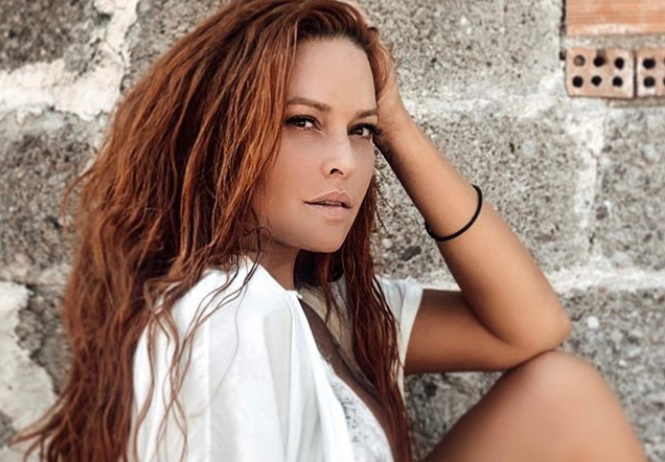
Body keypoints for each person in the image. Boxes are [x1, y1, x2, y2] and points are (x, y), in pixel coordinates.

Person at [10, 0, 649, 461]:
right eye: (303, 122)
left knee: (563, 391)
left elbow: (530, 329)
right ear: (222, 136)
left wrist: (397, 123)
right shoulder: (220, 319)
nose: (344, 159)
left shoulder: (331, 311)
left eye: (361, 130)